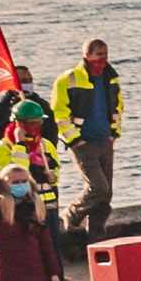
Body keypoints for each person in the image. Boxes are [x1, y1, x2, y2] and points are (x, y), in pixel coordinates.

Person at [54, 36, 125, 237]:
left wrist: (114, 133)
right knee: (98, 187)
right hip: (83, 143)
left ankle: (96, 237)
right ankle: (71, 214)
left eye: (105, 54)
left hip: (105, 140)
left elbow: (117, 107)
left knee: (106, 194)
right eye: (98, 55)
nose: (103, 59)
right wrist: (75, 140)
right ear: (87, 55)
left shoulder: (111, 77)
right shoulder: (68, 79)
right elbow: (59, 113)